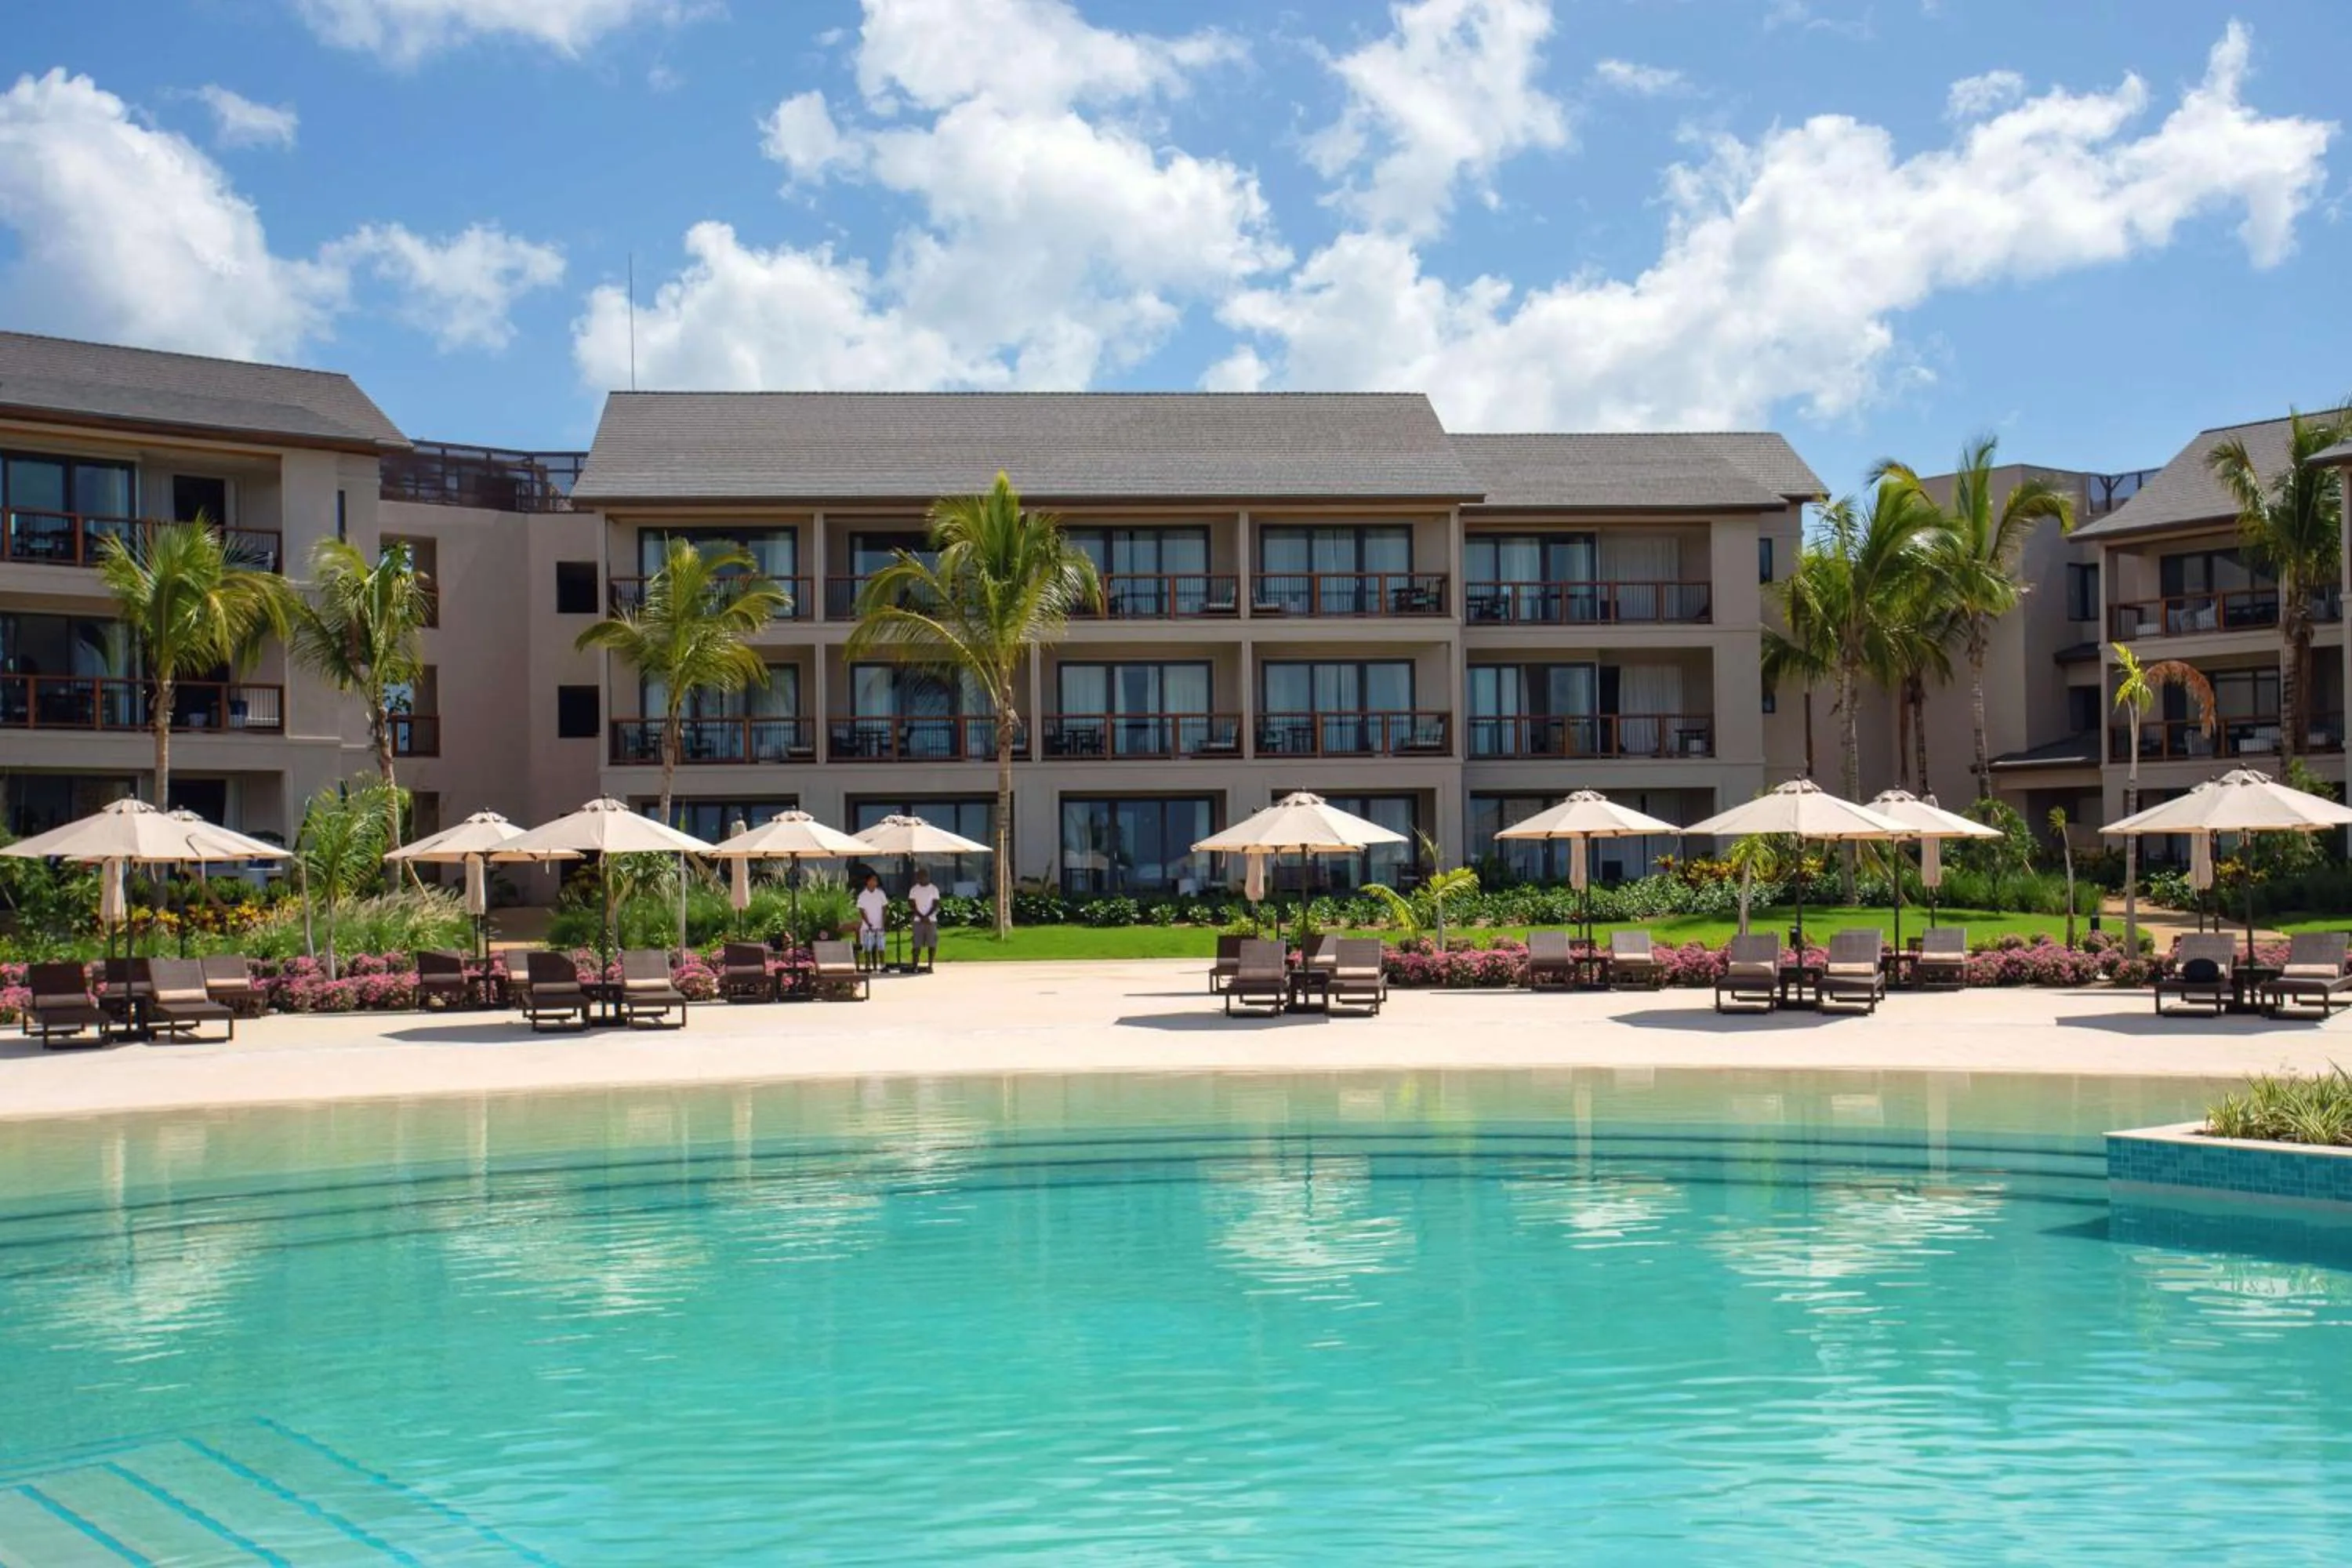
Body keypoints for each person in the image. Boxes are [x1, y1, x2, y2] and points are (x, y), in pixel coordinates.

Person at [855, 872, 889, 972]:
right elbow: (861, 910)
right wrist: (868, 922)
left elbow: (885, 907)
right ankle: (868, 966)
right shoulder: (862, 895)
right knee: (868, 948)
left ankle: (883, 966)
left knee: (881, 946)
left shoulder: (880, 893)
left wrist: (883, 921)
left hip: (879, 926)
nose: (875, 882)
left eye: (876, 880)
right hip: (867, 927)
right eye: (873, 880)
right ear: (868, 881)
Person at [908, 868, 941, 970]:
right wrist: (921, 916)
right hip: (918, 921)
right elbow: (912, 905)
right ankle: (915, 965)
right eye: (919, 877)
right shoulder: (914, 889)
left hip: (931, 920)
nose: (921, 879)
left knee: (932, 943)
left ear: (927, 877)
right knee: (916, 944)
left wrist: (927, 916)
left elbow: (935, 904)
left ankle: (930, 965)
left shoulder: (934, 889)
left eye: (923, 877)